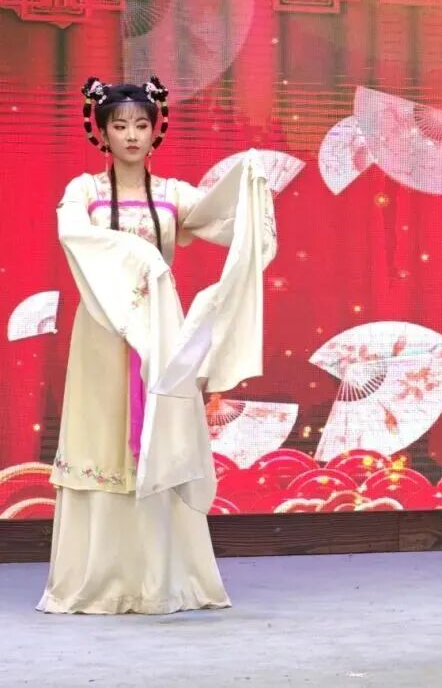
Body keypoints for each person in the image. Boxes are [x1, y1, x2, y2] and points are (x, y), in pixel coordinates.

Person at [38, 77, 277, 614]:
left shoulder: (172, 194)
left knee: (161, 434)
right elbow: (72, 234)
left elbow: (226, 220)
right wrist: (139, 256)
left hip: (161, 333)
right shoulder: (84, 191)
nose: (131, 135)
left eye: (141, 125)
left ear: (155, 131)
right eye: (120, 125)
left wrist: (249, 180)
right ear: (101, 132)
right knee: (101, 443)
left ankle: (162, 580)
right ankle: (98, 581)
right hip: (102, 335)